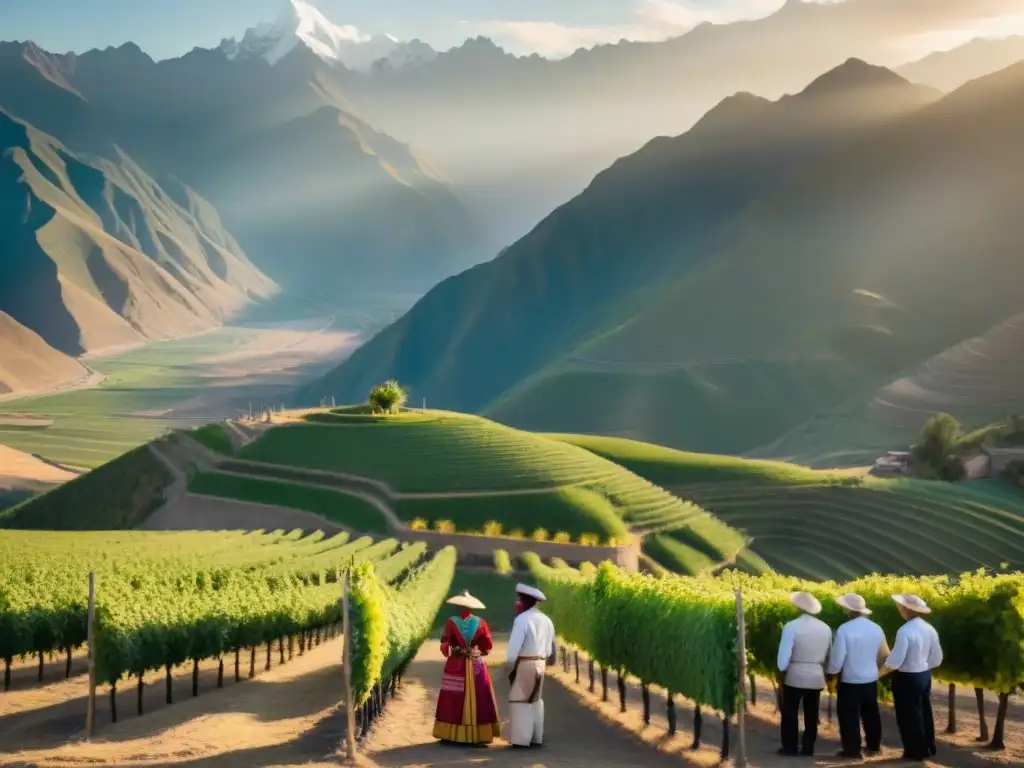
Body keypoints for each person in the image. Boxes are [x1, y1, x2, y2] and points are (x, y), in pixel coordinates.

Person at [432, 590, 502, 745]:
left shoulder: (451, 622)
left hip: (457, 664)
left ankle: (451, 734)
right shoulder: (481, 622)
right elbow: (488, 646)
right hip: (476, 664)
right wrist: (477, 651)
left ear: (457, 606)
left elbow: (445, 646)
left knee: (452, 696)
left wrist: (453, 651)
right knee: (480, 696)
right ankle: (479, 735)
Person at [880, 594, 943, 762]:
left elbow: (895, 660)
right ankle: (928, 747)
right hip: (924, 675)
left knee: (908, 715)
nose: (899, 609)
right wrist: (922, 666)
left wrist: (879, 672)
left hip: (907, 677)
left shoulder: (905, 630)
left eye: (900, 607)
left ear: (907, 609)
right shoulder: (929, 628)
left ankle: (914, 751)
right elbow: (937, 658)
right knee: (924, 711)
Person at [827, 593, 890, 759]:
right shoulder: (876, 628)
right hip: (870, 678)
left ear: (849, 610)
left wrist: (831, 674)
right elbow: (884, 654)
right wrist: (877, 671)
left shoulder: (844, 629)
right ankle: (874, 746)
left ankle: (852, 750)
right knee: (871, 713)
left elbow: (837, 658)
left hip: (849, 679)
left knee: (849, 716)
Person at [777, 591, 833, 757]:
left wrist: (782, 670)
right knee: (811, 713)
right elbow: (830, 654)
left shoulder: (791, 626)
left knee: (790, 712)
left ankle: (790, 747)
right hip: (816, 675)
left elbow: (783, 657)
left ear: (797, 608)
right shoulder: (826, 628)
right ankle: (808, 747)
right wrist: (828, 672)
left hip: (795, 675)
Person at [505, 583, 556, 748]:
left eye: (519, 600)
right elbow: (549, 649)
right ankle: (536, 737)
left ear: (525, 601)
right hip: (541, 663)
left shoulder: (521, 620)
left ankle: (521, 740)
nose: (516, 603)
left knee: (520, 701)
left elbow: (514, 650)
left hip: (525, 663)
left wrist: (510, 668)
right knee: (535, 700)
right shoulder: (547, 620)